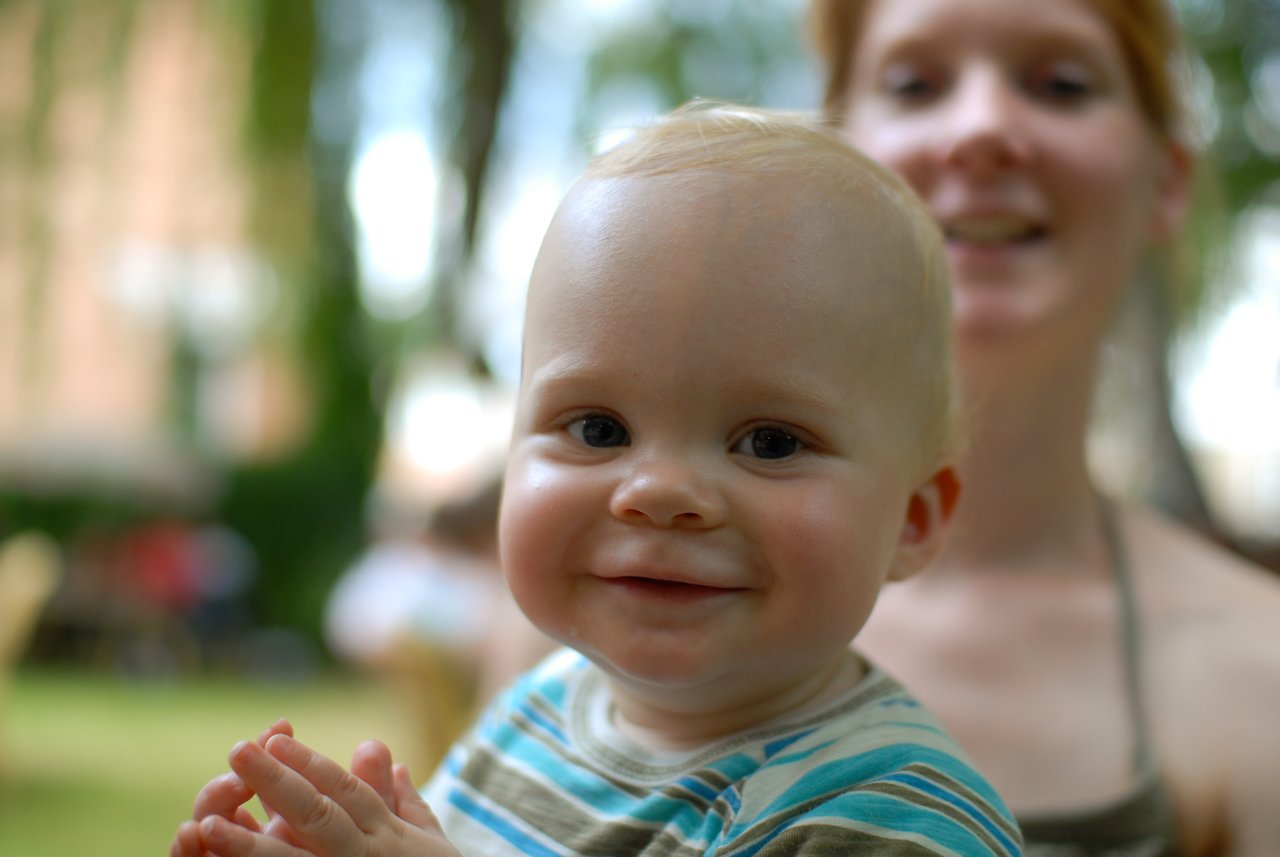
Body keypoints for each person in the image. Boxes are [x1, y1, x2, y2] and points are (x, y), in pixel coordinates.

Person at [170, 101, 1025, 856]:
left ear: (913, 518)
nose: (657, 489)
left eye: (769, 441)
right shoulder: (534, 714)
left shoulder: (892, 820)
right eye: (598, 428)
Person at [808, 0, 1280, 854]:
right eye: (916, 84)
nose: (982, 127)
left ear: (1165, 180)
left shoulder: (1263, 674)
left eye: (1060, 84)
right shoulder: (636, 594)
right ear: (830, 159)